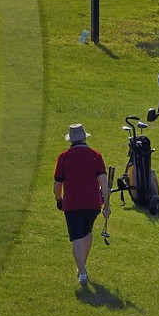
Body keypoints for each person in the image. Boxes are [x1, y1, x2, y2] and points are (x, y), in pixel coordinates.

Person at [53, 123, 109, 287]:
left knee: (76, 237)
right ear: (84, 137)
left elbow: (57, 184)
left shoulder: (64, 157)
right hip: (93, 203)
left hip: (72, 203)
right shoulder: (95, 155)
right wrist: (106, 203)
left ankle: (82, 273)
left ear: (71, 140)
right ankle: (82, 266)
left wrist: (58, 199)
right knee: (87, 232)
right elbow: (104, 181)